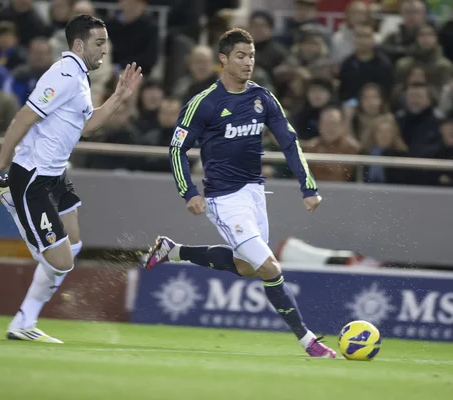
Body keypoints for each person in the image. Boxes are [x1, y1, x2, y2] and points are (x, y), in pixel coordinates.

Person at [141, 28, 336, 359]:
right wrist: (189, 192)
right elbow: (176, 150)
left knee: (247, 268)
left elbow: (289, 141)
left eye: (252, 56)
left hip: (255, 193)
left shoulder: (262, 98)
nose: (248, 63)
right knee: (270, 268)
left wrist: (308, 186)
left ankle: (174, 251)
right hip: (224, 199)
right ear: (223, 60)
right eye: (241, 56)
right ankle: (308, 341)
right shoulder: (204, 104)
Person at [0, 14, 143, 343]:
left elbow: (86, 127)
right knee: (61, 261)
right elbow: (24, 116)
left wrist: (119, 97)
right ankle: (9, 196)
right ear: (78, 44)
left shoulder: (79, 77)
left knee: (73, 245)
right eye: (99, 43)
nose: (105, 50)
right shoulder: (63, 75)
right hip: (32, 177)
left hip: (55, 175)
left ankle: (24, 322)